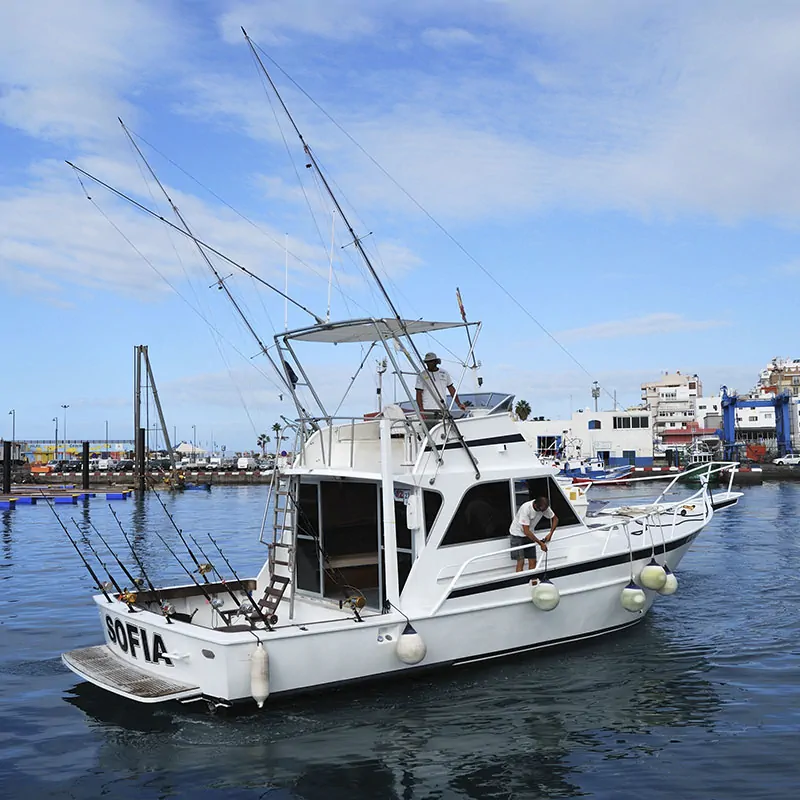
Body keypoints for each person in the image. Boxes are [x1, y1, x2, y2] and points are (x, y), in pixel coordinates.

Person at [509, 496, 559, 575]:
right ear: (536, 506)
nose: (544, 512)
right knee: (521, 561)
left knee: (532, 560)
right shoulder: (526, 509)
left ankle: (532, 580)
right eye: (542, 510)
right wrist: (541, 544)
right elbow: (526, 531)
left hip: (530, 533)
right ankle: (521, 582)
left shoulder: (544, 507)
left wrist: (550, 534)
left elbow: (555, 519)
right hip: (517, 534)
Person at [415, 352, 466, 418]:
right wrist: (421, 410)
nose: (429, 363)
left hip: (443, 408)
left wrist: (459, 404)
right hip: (427, 409)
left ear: (436, 362)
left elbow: (451, 389)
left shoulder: (444, 373)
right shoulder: (422, 375)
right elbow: (418, 393)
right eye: (427, 362)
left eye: (431, 361)